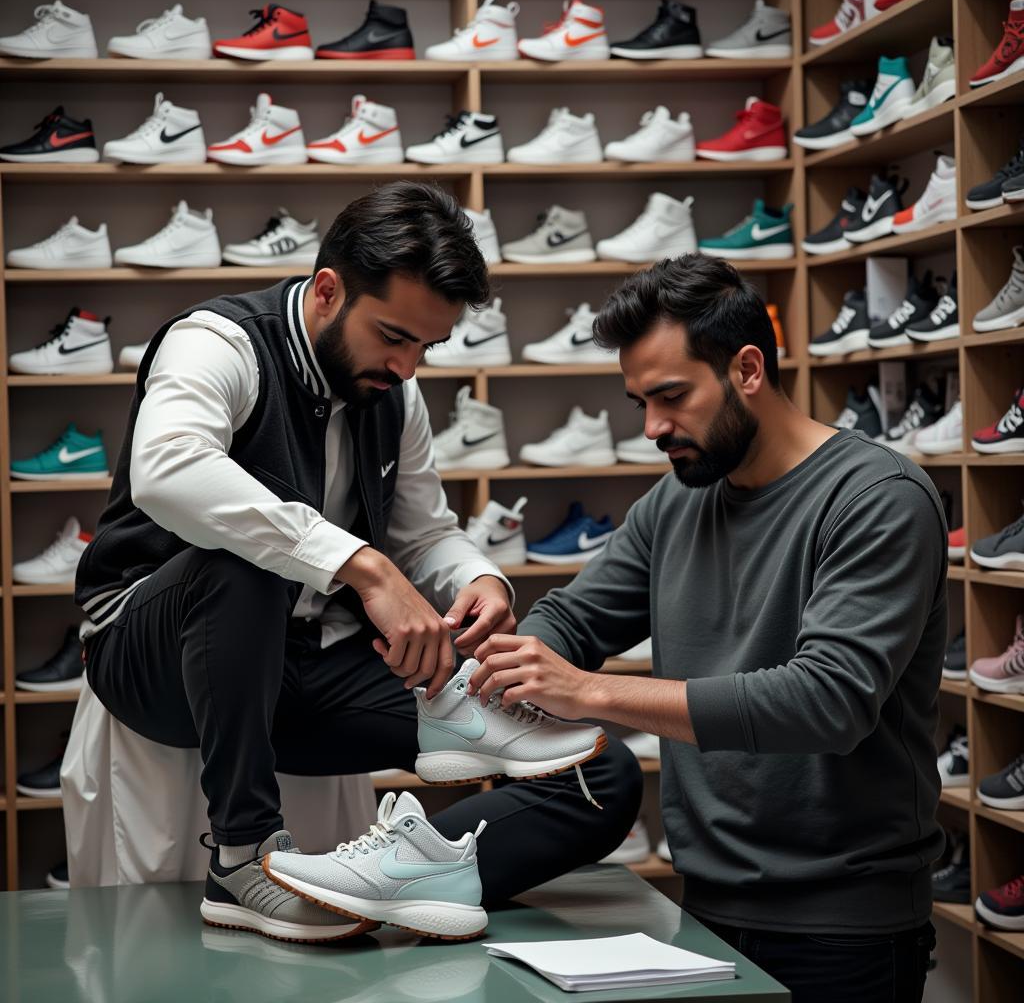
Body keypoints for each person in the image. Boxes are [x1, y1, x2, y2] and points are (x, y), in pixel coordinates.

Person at [74, 182, 640, 940]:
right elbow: (167, 468)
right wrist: (365, 569)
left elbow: (426, 529)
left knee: (596, 771)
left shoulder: (394, 395)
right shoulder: (218, 341)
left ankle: (393, 876)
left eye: (426, 348)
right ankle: (242, 858)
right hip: (152, 659)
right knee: (243, 560)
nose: (408, 366)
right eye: (394, 337)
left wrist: (477, 576)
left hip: (302, 666)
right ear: (329, 289)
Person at [469, 253, 944, 1002]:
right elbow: (573, 616)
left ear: (748, 369)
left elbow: (826, 701)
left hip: (845, 927)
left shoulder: (879, 499)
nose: (655, 427)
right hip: (707, 908)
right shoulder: (677, 503)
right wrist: (509, 666)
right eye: (639, 404)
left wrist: (588, 693)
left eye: (671, 397)